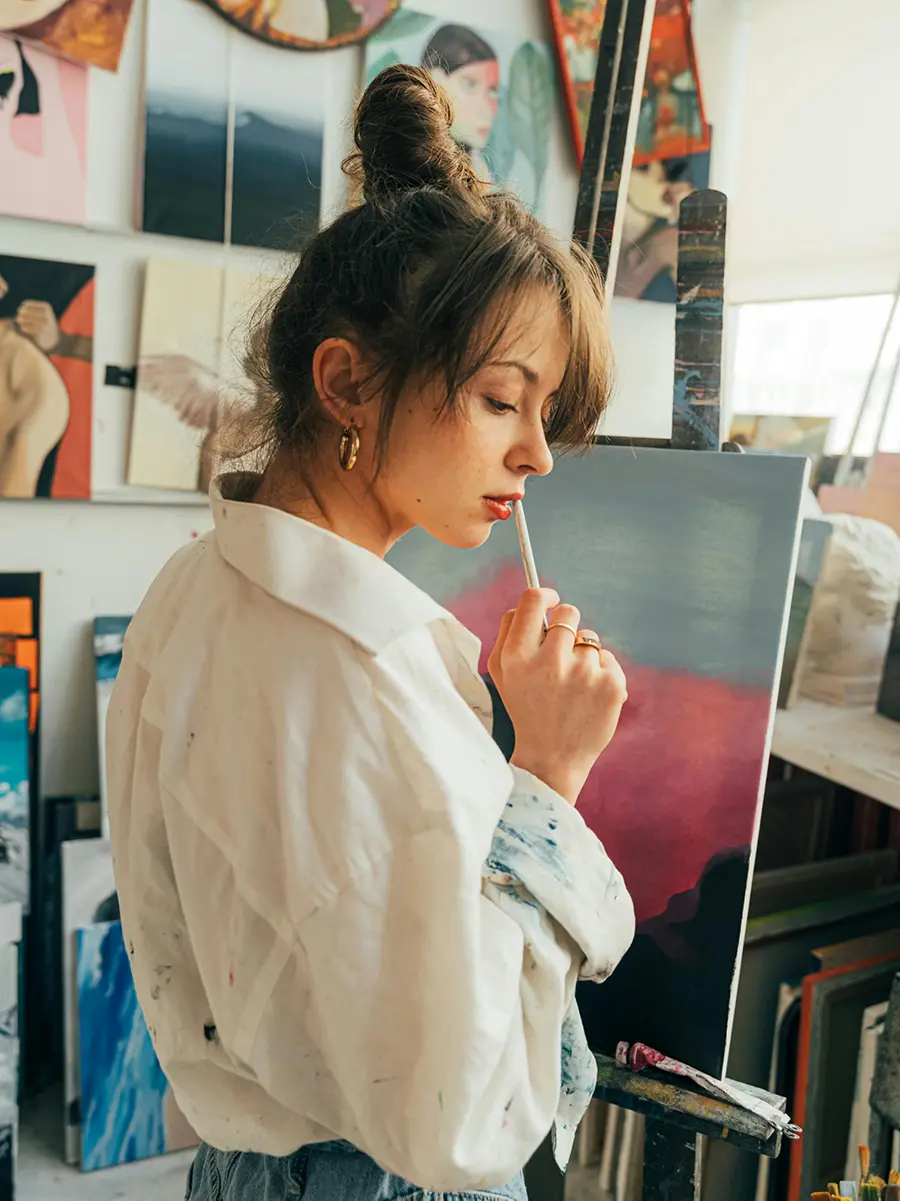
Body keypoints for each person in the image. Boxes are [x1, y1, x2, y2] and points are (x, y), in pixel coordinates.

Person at [106, 65, 634, 1201]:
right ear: (346, 381)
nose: (538, 456)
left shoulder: (191, 588)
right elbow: (469, 1112)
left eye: (545, 414)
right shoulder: (355, 675)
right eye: (504, 401)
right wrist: (546, 775)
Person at [421, 25, 500, 180]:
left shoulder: (482, 175)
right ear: (435, 80)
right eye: (470, 85)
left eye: (492, 91)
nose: (487, 108)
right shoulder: (413, 163)